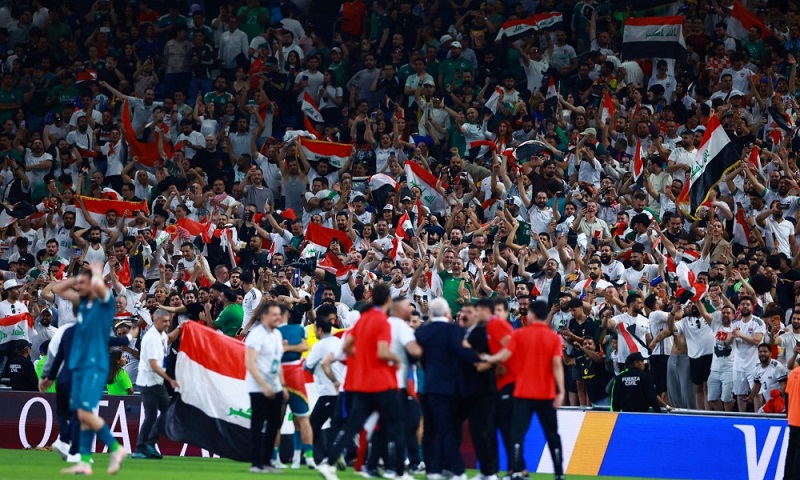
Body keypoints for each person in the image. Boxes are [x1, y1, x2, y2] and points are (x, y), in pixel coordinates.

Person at [45, 265, 127, 475]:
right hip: (83, 365)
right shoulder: (84, 304)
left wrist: (95, 276)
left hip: (96, 364)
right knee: (84, 414)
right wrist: (77, 279)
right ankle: (84, 460)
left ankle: (116, 449)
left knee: (83, 412)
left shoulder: (103, 302)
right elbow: (57, 289)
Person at [316, 284, 404, 480]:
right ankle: (399, 472)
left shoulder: (362, 320)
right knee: (396, 424)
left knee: (352, 426)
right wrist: (397, 359)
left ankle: (328, 464)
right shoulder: (383, 321)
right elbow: (383, 352)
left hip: (363, 384)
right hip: (382, 383)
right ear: (388, 300)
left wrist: (364, 357)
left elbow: (347, 347)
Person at [482, 300, 565, 480]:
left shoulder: (520, 334)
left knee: (517, 433)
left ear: (532, 314)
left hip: (523, 392)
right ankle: (559, 473)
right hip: (547, 393)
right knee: (552, 434)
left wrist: (487, 359)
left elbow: (505, 355)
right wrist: (561, 391)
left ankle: (517, 471)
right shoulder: (554, 337)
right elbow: (557, 365)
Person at [245, 301, 288, 474]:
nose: (278, 317)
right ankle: (256, 463)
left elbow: (278, 362)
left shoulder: (277, 334)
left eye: (279, 314)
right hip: (258, 387)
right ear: (264, 316)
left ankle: (268, 461)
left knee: (274, 424)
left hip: (275, 386)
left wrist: (282, 385)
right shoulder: (256, 335)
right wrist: (263, 386)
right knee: (258, 424)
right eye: (274, 314)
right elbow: (250, 362)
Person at [131, 309, 180, 459]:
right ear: (155, 320)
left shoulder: (161, 335)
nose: (167, 324)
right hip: (149, 382)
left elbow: (168, 339)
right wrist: (170, 380)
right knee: (153, 416)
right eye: (164, 321)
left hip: (156, 381)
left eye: (168, 321)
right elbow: (153, 365)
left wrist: (181, 328)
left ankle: (147, 445)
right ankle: (143, 447)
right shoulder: (151, 338)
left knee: (162, 414)